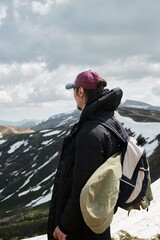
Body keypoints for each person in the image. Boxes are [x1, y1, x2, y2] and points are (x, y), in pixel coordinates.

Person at [48, 70, 123, 240]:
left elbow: (82, 189)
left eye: (74, 91)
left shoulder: (90, 133)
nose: (74, 95)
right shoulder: (110, 123)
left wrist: (65, 226)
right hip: (98, 219)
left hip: (80, 230)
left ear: (81, 91)